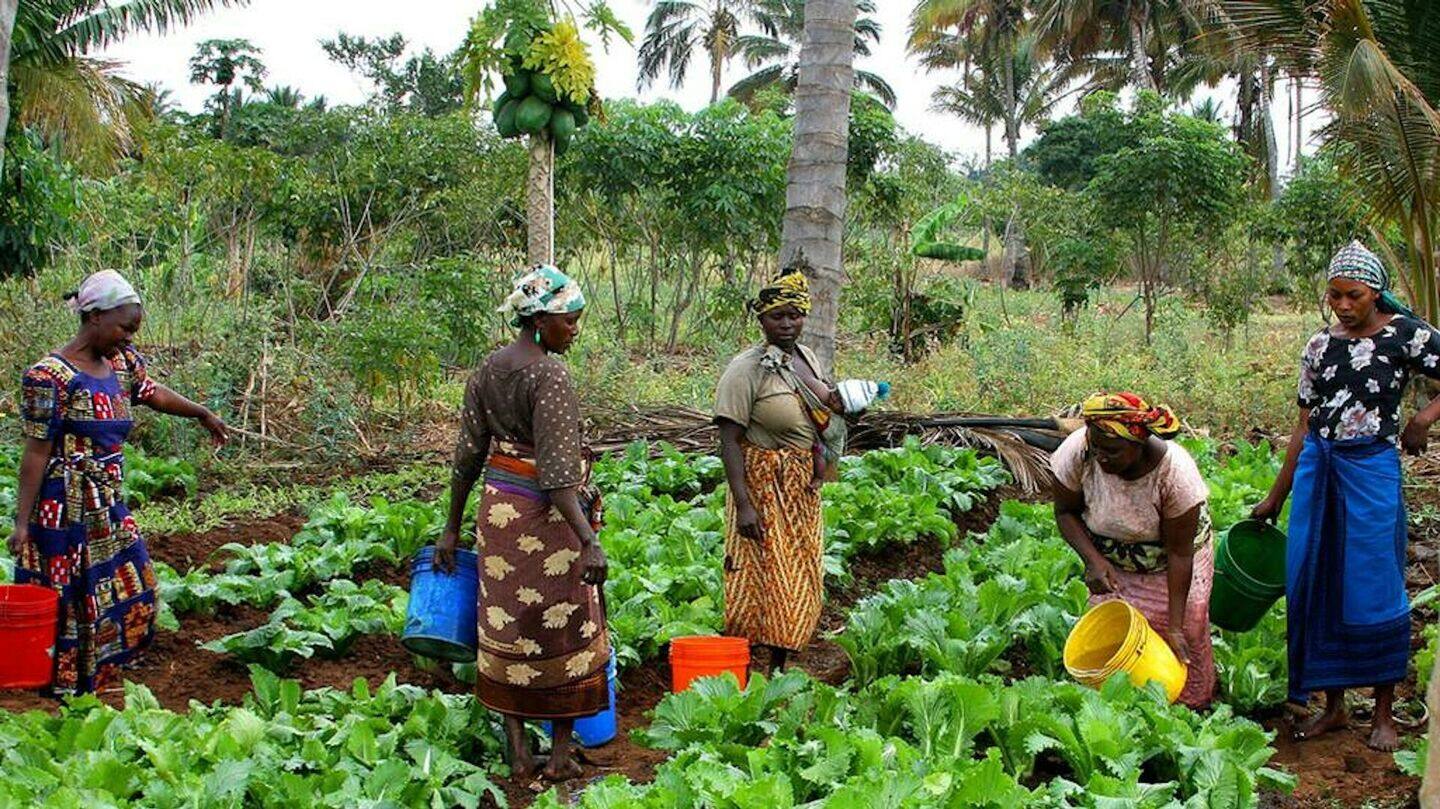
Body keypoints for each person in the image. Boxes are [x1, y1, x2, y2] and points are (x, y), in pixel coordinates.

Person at [1252, 241, 1440, 751]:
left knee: (1374, 581)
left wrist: (1423, 418)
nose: (1341, 305)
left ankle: (1382, 712)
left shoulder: (1406, 334)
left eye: (1352, 295)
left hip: (1371, 468)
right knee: (1315, 579)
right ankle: (1334, 708)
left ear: (1375, 292)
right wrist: (1276, 496)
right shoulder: (1319, 346)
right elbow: (1303, 424)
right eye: (1333, 295)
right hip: (1320, 467)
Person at [10, 270, 227, 695]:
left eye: (133, 330)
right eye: (124, 327)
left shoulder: (122, 363)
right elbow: (35, 451)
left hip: (107, 500)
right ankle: (63, 684)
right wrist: (21, 522)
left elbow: (153, 392)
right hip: (63, 506)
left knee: (133, 584)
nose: (129, 337)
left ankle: (102, 673)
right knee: (72, 594)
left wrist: (202, 412)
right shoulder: (48, 376)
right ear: (94, 317)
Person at [437, 264, 609, 782]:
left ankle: (517, 753)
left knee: (507, 625)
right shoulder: (549, 374)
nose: (575, 330)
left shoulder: (489, 368)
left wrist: (451, 527)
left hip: (499, 516)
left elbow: (467, 456)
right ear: (540, 320)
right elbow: (557, 477)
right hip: (546, 519)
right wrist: (588, 542)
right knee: (565, 628)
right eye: (570, 321)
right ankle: (558, 758)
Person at [1051, 392, 1215, 708]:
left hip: (1172, 560)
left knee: (1186, 633)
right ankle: (1120, 706)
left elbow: (1180, 555)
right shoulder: (1078, 453)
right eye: (1095, 446)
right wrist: (1094, 561)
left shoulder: (1175, 474)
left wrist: (1176, 625)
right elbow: (1064, 513)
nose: (1101, 457)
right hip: (1112, 559)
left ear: (1138, 444)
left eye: (1111, 451)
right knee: (1113, 630)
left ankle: (1194, 707)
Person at [714, 269, 834, 674]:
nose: (786, 324)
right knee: (758, 576)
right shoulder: (745, 370)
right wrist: (743, 504)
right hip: (763, 484)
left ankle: (779, 666)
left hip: (800, 486)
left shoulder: (806, 358)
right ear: (761, 320)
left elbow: (822, 412)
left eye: (794, 315)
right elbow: (729, 440)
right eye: (777, 316)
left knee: (798, 573)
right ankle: (743, 668)